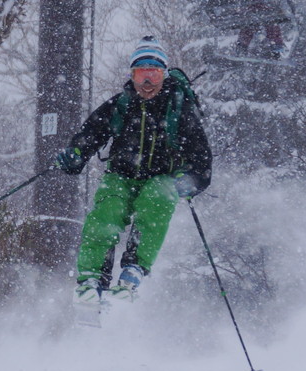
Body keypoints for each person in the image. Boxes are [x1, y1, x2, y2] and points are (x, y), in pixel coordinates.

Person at [54, 36, 212, 304]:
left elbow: (201, 157)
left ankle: (133, 269)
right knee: (107, 211)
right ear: (132, 75)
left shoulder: (179, 109)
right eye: (141, 74)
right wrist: (76, 154)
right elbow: (91, 133)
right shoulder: (121, 104)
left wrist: (191, 180)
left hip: (162, 177)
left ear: (163, 74)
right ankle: (92, 278)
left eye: (153, 73)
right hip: (121, 176)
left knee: (158, 199)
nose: (147, 82)